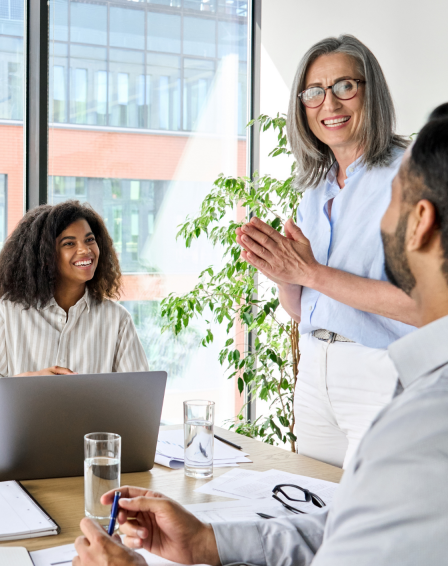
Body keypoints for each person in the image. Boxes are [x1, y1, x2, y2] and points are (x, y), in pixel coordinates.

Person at [71, 112, 448, 566]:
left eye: (389, 196)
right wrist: (209, 542)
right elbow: (354, 524)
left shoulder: (423, 425)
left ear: (420, 222)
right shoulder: (423, 399)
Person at [235, 35, 417, 468]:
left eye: (345, 87)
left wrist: (311, 272)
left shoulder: (415, 174)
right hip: (316, 372)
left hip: (383, 372)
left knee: (372, 527)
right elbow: (306, 311)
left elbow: (429, 307)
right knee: (315, 512)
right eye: (314, 92)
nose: (329, 104)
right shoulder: (314, 187)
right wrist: (285, 274)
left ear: (371, 92)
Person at [0, 200, 149, 426]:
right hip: (24, 440)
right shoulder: (11, 311)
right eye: (69, 243)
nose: (85, 250)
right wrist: (23, 384)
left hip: (92, 443)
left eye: (89, 240)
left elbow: (141, 397)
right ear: (45, 255)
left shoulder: (117, 319)